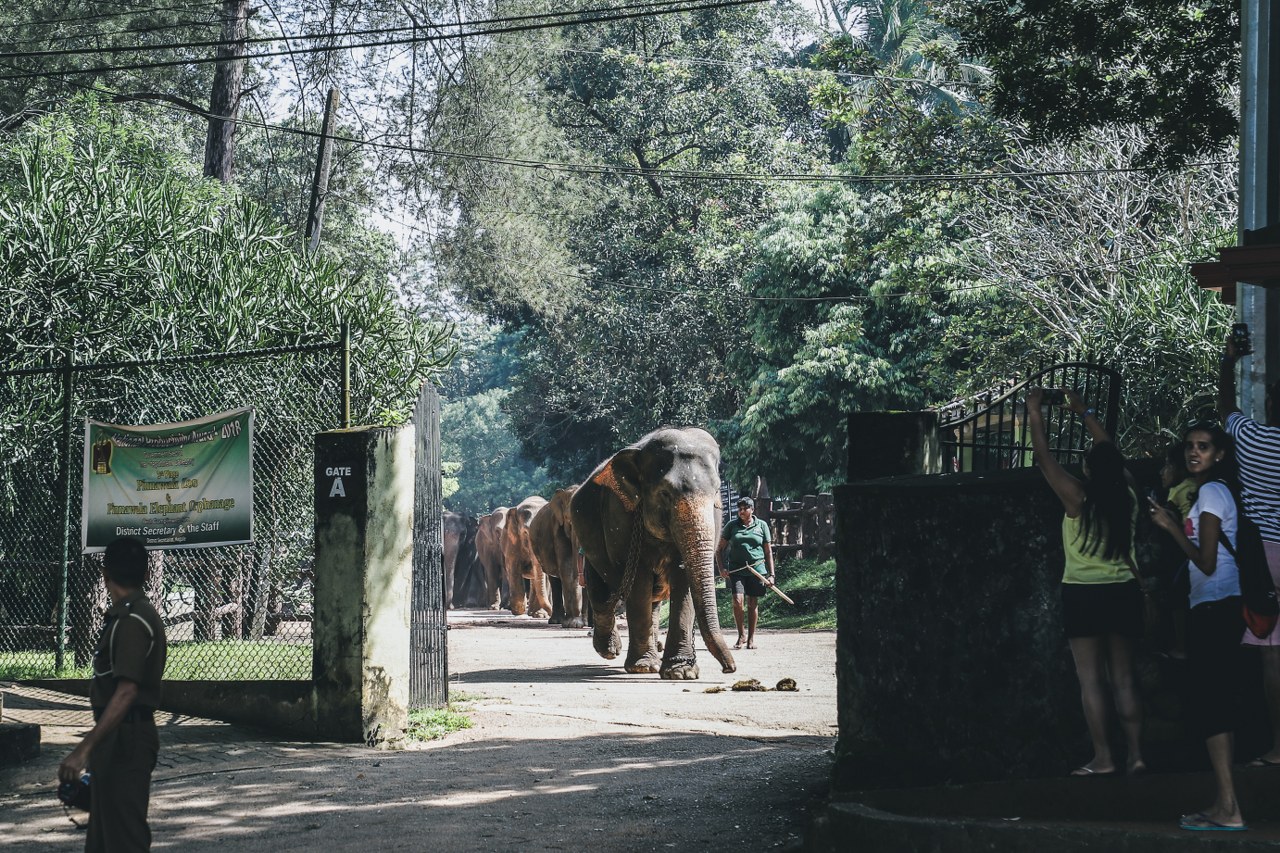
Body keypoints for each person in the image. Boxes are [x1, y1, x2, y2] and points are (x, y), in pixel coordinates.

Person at [1026, 387, 1145, 777]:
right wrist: (1084, 412)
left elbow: (1043, 458)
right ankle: (1137, 756)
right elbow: (1111, 452)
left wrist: (1034, 407)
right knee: (1124, 678)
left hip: (1083, 595)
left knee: (1091, 680)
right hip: (1125, 591)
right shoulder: (1128, 494)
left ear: (1089, 470)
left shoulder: (1077, 497)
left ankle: (1104, 759)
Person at [1149, 423, 1247, 831]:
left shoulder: (1210, 493)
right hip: (1216, 605)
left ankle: (1228, 807)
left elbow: (1206, 561)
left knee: (1213, 706)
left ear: (1219, 454)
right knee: (1215, 704)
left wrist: (1171, 528)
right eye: (1190, 447)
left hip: (1216, 605)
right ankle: (1225, 804)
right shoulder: (1217, 492)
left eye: (1203, 447)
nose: (1194, 453)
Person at [59, 536, 168, 852]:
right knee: (103, 837)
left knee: (124, 838)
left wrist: (83, 749)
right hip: (118, 736)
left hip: (127, 737)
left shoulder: (132, 620)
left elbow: (126, 692)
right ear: (146, 575)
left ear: (105, 575)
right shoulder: (128, 615)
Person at [1219, 335, 1280, 767]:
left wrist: (1228, 363)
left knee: (1272, 657)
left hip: (1266, 556)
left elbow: (1225, 411)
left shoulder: (1254, 440)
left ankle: (1279, 748)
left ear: (1273, 404)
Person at [716, 497, 775, 650]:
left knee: (752, 603)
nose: (741, 511)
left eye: (744, 508)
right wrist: (722, 568)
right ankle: (741, 635)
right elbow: (719, 549)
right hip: (737, 570)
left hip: (757, 570)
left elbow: (768, 551)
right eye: (739, 509)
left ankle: (751, 639)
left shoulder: (761, 526)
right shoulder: (732, 526)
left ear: (752, 509)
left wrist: (771, 575)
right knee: (737, 601)